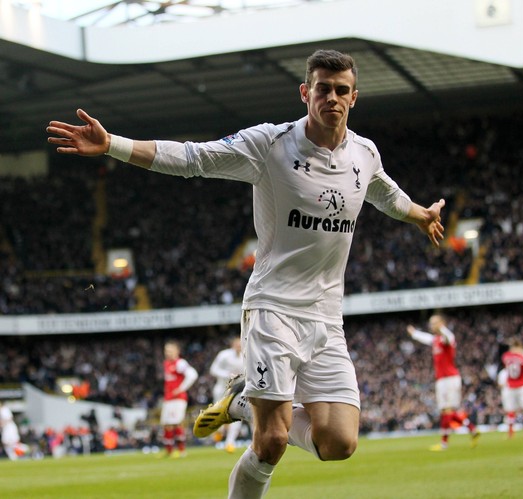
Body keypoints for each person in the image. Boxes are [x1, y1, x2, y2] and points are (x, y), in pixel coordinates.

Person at [47, 49, 446, 498]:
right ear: (304, 92)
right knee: (271, 440)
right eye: (322, 88)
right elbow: (194, 157)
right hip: (273, 310)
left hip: (327, 319)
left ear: (355, 97)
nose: (331, 97)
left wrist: (419, 215)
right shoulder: (270, 144)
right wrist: (113, 145)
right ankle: (248, 411)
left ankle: (241, 402)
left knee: (338, 443)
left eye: (341, 90)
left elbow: (385, 193)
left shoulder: (364, 154)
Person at [407, 314, 480, 451]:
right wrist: (414, 333)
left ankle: (444, 444)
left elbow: (448, 338)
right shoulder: (436, 340)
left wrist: (443, 329)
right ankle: (471, 429)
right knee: (445, 411)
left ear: (442, 323)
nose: (431, 325)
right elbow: (426, 338)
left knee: (447, 411)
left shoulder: (447, 338)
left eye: (434, 323)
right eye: (431, 323)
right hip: (441, 379)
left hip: (450, 378)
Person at [160, 340, 198, 458]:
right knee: (166, 424)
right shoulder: (166, 363)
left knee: (176, 423)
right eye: (166, 351)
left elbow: (193, 374)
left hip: (178, 398)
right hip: (168, 398)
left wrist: (181, 388)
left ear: (177, 351)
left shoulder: (180, 363)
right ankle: (169, 451)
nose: (168, 353)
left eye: (170, 350)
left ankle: (181, 451)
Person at [209, 337, 245, 453]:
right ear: (233, 344)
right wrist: (227, 375)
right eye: (237, 344)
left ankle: (230, 443)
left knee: (238, 416)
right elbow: (213, 369)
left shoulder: (246, 355)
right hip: (221, 389)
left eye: (241, 344)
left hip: (237, 390)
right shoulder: (224, 355)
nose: (239, 346)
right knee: (219, 414)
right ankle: (219, 431)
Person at [499, 338, 523, 439]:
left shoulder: (506, 356)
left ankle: (511, 433)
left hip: (510, 385)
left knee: (511, 410)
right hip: (522, 384)